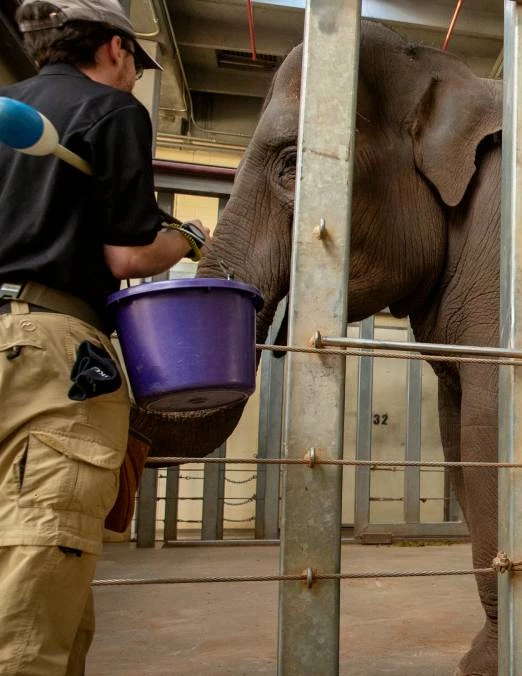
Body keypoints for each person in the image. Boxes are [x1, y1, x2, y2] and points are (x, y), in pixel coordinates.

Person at [0, 0, 209, 672]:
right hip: (50, 346)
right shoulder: (112, 111)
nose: (134, 79)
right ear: (116, 49)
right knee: (38, 560)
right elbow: (129, 257)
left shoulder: (10, 107)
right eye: (136, 65)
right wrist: (188, 238)